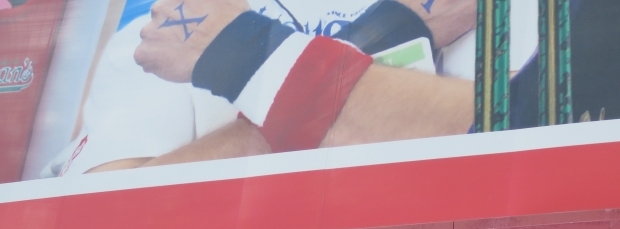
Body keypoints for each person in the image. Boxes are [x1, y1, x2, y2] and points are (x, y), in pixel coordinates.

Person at [45, 0, 479, 176]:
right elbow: (110, 217)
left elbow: (503, 151)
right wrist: (380, 37)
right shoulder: (178, 19)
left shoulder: (496, 15)